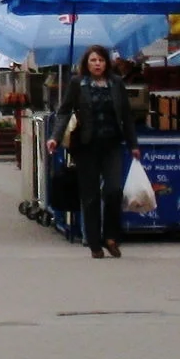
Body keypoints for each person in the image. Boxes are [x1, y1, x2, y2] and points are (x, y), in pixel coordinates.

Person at [55, 44, 140, 258]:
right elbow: (64, 111)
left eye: (101, 60)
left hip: (112, 144)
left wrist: (133, 145)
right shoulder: (78, 83)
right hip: (87, 145)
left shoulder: (116, 83)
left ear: (106, 63)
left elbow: (126, 115)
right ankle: (94, 242)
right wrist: (55, 138)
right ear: (87, 63)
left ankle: (111, 237)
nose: (97, 64)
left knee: (114, 190)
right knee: (90, 195)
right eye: (93, 60)